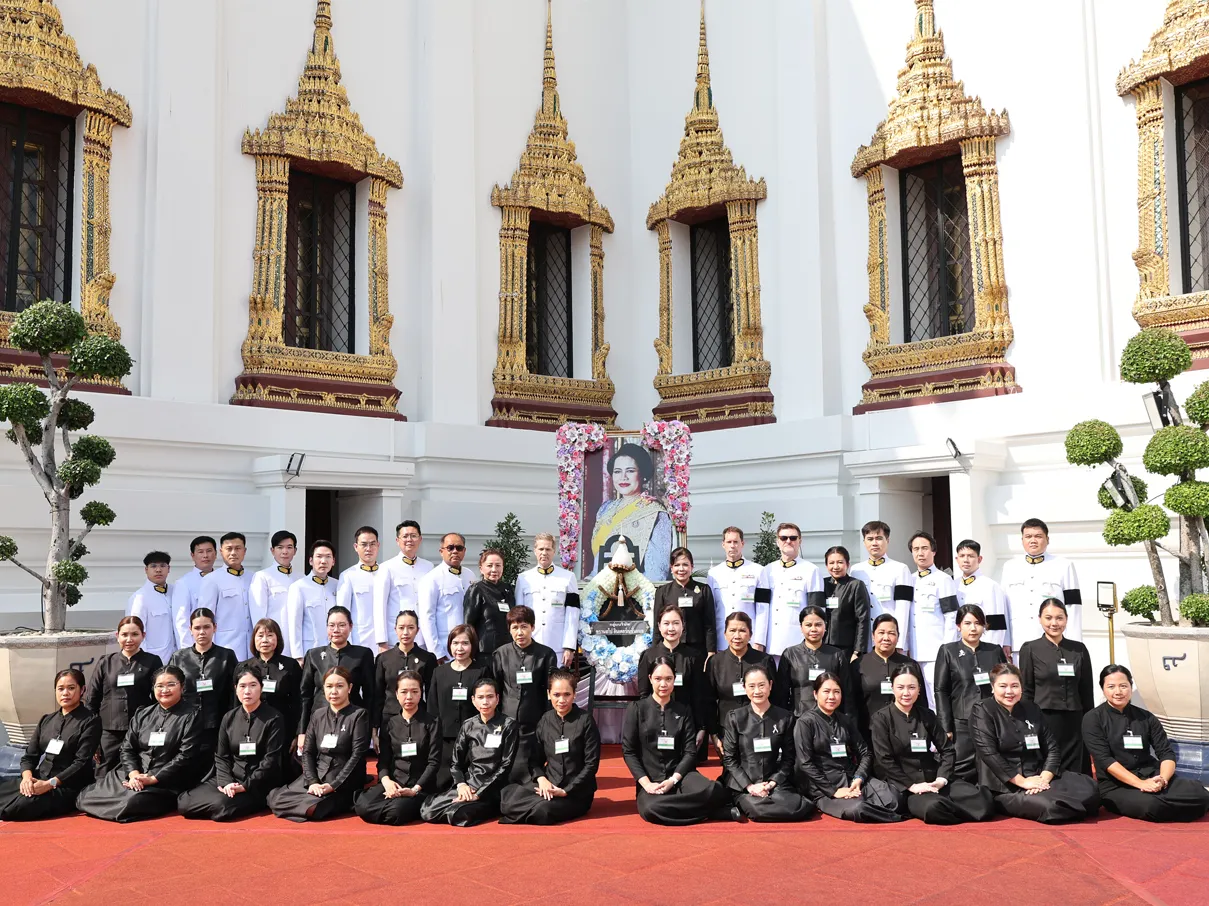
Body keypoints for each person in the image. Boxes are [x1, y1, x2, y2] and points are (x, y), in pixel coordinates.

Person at [970, 663, 1100, 823]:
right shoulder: (982, 710)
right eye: (1003, 686)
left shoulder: (1031, 708)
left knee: (1090, 786)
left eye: (1014, 686)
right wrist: (1023, 782)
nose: (1009, 692)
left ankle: (1057, 797)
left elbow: (1052, 748)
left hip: (1037, 775)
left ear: (1021, 688)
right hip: (1007, 785)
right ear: (992, 687)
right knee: (1052, 807)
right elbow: (989, 754)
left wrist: (1044, 778)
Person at [1082, 664, 1209, 822]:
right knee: (1152, 806)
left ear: (1131, 686)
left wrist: (1163, 779)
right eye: (1111, 686)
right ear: (1103, 689)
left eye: (1123, 686)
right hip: (1117, 785)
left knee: (1200, 793)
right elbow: (1105, 760)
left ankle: (1177, 803)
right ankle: (1181, 807)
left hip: (1153, 776)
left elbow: (1165, 752)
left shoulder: (1146, 717)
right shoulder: (1093, 719)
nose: (1118, 692)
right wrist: (1141, 784)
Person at [76, 665, 203, 822]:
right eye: (159, 686)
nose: (165, 690)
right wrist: (133, 774)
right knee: (85, 796)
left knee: (131, 802)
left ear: (182, 687)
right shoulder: (143, 714)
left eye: (171, 684)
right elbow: (127, 749)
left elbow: (186, 755)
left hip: (165, 780)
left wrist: (153, 778)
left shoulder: (192, 715)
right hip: (133, 772)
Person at [869, 666, 995, 824]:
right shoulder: (881, 718)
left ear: (919, 690)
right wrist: (912, 786)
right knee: (933, 808)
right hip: (908, 787)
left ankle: (952, 807)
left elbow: (947, 750)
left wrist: (942, 779)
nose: (906, 693)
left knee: (983, 799)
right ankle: (955, 809)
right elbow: (884, 759)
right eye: (900, 687)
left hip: (934, 779)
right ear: (892, 688)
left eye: (912, 687)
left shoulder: (927, 715)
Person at [623, 656, 735, 825]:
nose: (663, 684)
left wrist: (673, 779)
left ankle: (688, 808)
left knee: (714, 789)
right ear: (650, 679)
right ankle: (712, 812)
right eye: (658, 679)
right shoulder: (637, 709)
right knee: (651, 809)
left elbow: (690, 752)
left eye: (668, 679)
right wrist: (646, 784)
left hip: (682, 775)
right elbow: (629, 752)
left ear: (675, 679)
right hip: (651, 779)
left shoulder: (683, 710)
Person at [177, 663, 285, 820]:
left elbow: (271, 760)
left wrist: (245, 786)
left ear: (261, 688)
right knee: (184, 802)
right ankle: (221, 799)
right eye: (242, 686)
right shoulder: (229, 717)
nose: (247, 691)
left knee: (222, 808)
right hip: (230, 778)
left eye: (253, 685)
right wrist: (226, 782)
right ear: (236, 689)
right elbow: (221, 756)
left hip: (257, 783)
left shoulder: (274, 718)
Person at [794, 672, 901, 822]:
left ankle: (878, 808)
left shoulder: (845, 720)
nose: (832, 696)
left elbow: (865, 753)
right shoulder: (805, 722)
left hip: (852, 780)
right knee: (858, 808)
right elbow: (805, 763)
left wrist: (859, 778)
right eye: (826, 691)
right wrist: (834, 791)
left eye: (836, 692)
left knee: (894, 797)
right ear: (815, 694)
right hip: (825, 787)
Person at [267, 666, 371, 821]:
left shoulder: (359, 715)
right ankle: (305, 800)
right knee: (274, 798)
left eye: (339, 686)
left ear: (349, 688)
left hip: (342, 777)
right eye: (329, 687)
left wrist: (334, 785)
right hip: (318, 772)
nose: (334, 692)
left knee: (314, 809)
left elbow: (357, 755)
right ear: (323, 689)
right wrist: (313, 782)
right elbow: (308, 752)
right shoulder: (318, 714)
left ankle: (332, 802)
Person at [499, 669, 601, 825]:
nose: (561, 700)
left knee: (544, 810)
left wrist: (566, 790)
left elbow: (591, 765)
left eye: (567, 694)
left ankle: (534, 808)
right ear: (548, 694)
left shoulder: (585, 721)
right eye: (556, 694)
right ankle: (531, 806)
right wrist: (542, 780)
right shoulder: (545, 720)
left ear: (574, 694)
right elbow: (534, 760)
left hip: (575, 792)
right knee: (508, 797)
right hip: (548, 785)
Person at [0, 669, 101, 820]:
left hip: (66, 786)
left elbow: (81, 763)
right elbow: (30, 756)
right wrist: (27, 779)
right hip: (38, 779)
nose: (65, 693)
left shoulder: (91, 721)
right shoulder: (46, 720)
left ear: (83, 690)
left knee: (20, 806)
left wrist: (48, 784)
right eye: (60, 689)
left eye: (71, 688)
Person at [421, 676, 519, 826]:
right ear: (473, 700)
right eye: (480, 697)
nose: (485, 702)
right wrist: (462, 785)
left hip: (492, 788)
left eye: (490, 697)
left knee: (458, 814)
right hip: (469, 784)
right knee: (427, 810)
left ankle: (485, 806)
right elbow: (456, 763)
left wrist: (478, 794)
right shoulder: (468, 725)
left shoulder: (508, 725)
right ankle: (462, 801)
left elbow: (505, 766)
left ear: (498, 699)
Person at [721, 664, 813, 822]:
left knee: (796, 807)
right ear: (744, 688)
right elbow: (729, 759)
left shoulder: (785, 717)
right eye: (751, 686)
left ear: (770, 685)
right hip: (744, 783)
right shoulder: (735, 717)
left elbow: (789, 758)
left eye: (762, 685)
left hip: (774, 781)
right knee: (757, 810)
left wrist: (772, 783)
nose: (757, 691)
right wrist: (750, 786)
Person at [355, 669, 441, 825]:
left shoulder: (432, 722)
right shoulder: (389, 723)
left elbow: (434, 762)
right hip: (395, 783)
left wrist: (415, 789)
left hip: (419, 786)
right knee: (362, 805)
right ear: (396, 694)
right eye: (404, 692)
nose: (409, 697)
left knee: (397, 812)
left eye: (414, 691)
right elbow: (384, 759)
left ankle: (401, 805)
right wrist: (387, 781)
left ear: (421, 693)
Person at [1019, 598, 1094, 774]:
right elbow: (1027, 690)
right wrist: (1026, 721)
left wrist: (1090, 723)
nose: (1054, 623)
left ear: (1066, 619)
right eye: (1048, 618)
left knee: (1076, 768)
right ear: (1040, 619)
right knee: (1049, 765)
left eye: (1059, 618)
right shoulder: (1030, 649)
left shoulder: (1078, 649)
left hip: (1074, 720)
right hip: (1044, 718)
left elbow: (1086, 689)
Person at [934, 604, 1007, 781]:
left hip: (991, 721)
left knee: (992, 766)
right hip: (961, 722)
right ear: (958, 626)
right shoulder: (948, 651)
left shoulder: (994, 650)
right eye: (967, 623)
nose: (973, 628)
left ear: (984, 626)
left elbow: (1006, 683)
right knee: (959, 767)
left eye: (978, 623)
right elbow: (941, 690)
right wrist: (946, 726)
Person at [86, 616, 163, 776]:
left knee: (139, 771)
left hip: (141, 729)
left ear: (143, 635)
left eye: (135, 634)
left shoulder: (152, 662)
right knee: (104, 773)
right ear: (117, 636)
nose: (129, 639)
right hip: (109, 731)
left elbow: (159, 701)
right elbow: (92, 700)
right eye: (124, 634)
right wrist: (93, 738)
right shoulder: (105, 662)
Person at [590, 442, 674, 582]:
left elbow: (657, 572)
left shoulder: (655, 512)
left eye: (630, 471)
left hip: (638, 592)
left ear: (642, 474)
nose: (623, 477)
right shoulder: (605, 509)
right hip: (601, 588)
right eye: (617, 471)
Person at [492, 605, 557, 782]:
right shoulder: (500, 654)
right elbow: (495, 687)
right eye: (515, 627)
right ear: (509, 629)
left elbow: (551, 689)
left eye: (524, 627)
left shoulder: (546, 654)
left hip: (535, 717)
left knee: (532, 763)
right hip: (507, 718)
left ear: (532, 627)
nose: (520, 632)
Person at [297, 606, 374, 751]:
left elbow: (370, 694)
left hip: (352, 719)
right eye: (331, 625)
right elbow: (304, 696)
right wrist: (301, 731)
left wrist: (370, 726)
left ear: (351, 627)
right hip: (320, 719)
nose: (336, 630)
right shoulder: (314, 655)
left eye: (342, 625)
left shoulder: (363, 654)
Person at [1002, 518, 1083, 656]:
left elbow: (1073, 606)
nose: (1033, 540)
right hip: (1019, 640)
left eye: (1038, 536)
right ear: (1022, 540)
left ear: (1047, 539)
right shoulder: (1010, 567)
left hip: (1053, 640)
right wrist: (1005, 641)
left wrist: (1073, 643)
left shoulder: (1064, 565)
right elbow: (1004, 607)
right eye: (1028, 536)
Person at [428, 625, 494, 789]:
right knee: (443, 784)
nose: (459, 648)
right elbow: (432, 706)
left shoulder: (481, 670)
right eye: (455, 643)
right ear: (449, 645)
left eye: (465, 643)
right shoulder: (439, 672)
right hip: (445, 739)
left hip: (475, 740)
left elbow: (488, 703)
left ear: (473, 645)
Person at [169, 607, 237, 765]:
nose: (202, 632)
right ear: (190, 629)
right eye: (197, 628)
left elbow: (234, 693)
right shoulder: (179, 657)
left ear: (215, 627)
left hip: (218, 722)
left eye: (206, 627)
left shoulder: (226, 656)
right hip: (186, 724)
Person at [637, 606, 708, 754]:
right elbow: (644, 695)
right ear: (659, 626)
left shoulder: (694, 656)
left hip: (686, 723)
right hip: (656, 723)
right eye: (666, 623)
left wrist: (701, 727)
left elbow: (699, 695)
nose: (671, 628)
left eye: (676, 623)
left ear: (683, 626)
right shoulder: (648, 656)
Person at [705, 611, 775, 756]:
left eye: (742, 631)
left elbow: (776, 696)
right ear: (724, 634)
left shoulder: (764, 660)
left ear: (750, 634)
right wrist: (714, 734)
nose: (737, 636)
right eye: (732, 631)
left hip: (760, 728)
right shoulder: (716, 662)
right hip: (727, 730)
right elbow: (708, 700)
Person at [237, 618, 302, 770]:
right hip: (253, 728)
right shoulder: (244, 667)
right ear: (254, 639)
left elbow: (299, 701)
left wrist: (298, 733)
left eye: (270, 635)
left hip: (283, 728)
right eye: (260, 635)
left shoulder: (290, 666)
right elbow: (236, 704)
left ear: (277, 638)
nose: (265, 640)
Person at [906, 531, 959, 707]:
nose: (920, 553)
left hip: (935, 651)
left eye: (924, 548)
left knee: (936, 697)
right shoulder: (908, 580)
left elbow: (952, 616)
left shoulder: (943, 579)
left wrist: (947, 649)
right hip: (913, 650)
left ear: (934, 551)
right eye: (916, 549)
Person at [756, 523, 824, 658]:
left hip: (799, 643)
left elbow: (817, 610)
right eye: (783, 538)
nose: (788, 541)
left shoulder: (811, 570)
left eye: (793, 538)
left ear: (800, 541)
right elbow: (761, 608)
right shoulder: (767, 570)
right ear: (777, 541)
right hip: (772, 642)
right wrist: (759, 641)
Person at [776, 605, 855, 719]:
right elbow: (781, 694)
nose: (813, 629)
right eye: (808, 625)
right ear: (801, 627)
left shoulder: (837, 655)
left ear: (825, 626)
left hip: (831, 719)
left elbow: (847, 693)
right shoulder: (790, 654)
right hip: (798, 718)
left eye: (818, 624)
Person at [852, 614, 924, 738]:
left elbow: (921, 702)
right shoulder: (859, 664)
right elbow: (851, 702)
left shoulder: (910, 665)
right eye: (881, 633)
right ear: (873, 636)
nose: (886, 637)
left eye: (891, 633)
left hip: (905, 732)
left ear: (898, 637)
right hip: (869, 732)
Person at [515, 532, 580, 666]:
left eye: (548, 549)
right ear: (535, 551)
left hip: (557, 645)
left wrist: (569, 646)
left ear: (554, 551)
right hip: (530, 643)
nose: (544, 553)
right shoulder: (523, 578)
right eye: (541, 549)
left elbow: (572, 615)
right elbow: (518, 615)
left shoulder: (568, 577)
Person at [373, 520, 434, 651]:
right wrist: (382, 641)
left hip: (423, 637)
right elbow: (379, 606)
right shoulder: (387, 568)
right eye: (405, 536)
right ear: (397, 540)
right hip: (396, 638)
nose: (409, 540)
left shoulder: (428, 567)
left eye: (413, 536)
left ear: (420, 539)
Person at [849, 521, 913, 647]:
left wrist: (899, 643)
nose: (874, 543)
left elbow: (903, 609)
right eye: (870, 539)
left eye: (879, 538)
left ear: (887, 540)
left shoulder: (900, 569)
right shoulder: (856, 570)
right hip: (865, 639)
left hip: (888, 639)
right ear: (864, 542)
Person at [373, 609, 437, 728]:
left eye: (411, 627)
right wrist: (375, 726)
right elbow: (377, 695)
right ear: (395, 629)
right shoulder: (383, 659)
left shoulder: (427, 658)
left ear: (417, 630)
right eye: (401, 628)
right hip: (389, 719)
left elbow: (431, 695)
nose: (406, 632)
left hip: (419, 718)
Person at [706, 527, 766, 653]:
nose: (732, 546)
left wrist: (759, 641)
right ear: (723, 544)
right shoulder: (714, 574)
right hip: (722, 640)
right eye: (729, 542)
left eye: (736, 542)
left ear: (742, 544)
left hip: (749, 638)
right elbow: (711, 610)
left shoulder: (758, 570)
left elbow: (763, 608)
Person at [418, 532, 475, 662]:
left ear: (464, 551)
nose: (455, 551)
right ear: (441, 551)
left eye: (459, 548)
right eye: (450, 548)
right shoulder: (431, 579)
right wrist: (436, 652)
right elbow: (427, 617)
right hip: (445, 648)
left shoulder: (470, 575)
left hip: (468, 647)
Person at [197, 531, 254, 660]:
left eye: (238, 548)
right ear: (221, 551)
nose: (233, 553)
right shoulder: (211, 580)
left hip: (252, 649)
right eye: (229, 549)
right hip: (224, 649)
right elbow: (205, 617)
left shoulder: (254, 578)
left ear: (244, 551)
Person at [653, 547, 717, 653]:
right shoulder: (663, 592)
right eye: (677, 565)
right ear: (671, 568)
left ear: (692, 566)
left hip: (698, 650)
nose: (681, 569)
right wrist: (655, 651)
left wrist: (711, 651)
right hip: (671, 649)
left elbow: (709, 624)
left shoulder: (703, 590)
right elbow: (657, 624)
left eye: (685, 565)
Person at [954, 539, 1010, 656]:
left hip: (982, 649)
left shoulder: (990, 586)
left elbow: (996, 625)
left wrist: (989, 652)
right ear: (957, 559)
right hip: (957, 649)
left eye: (971, 556)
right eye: (962, 556)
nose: (966, 560)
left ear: (979, 559)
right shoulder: (952, 585)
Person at [286, 540, 338, 659]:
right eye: (319, 556)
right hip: (310, 652)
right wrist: (298, 656)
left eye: (328, 557)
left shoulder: (338, 585)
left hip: (334, 651)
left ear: (333, 561)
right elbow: (295, 625)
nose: (323, 561)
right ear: (311, 560)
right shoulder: (299, 587)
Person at [820, 546, 870, 663]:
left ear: (847, 564)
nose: (835, 567)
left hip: (847, 648)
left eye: (840, 562)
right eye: (831, 563)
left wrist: (858, 651)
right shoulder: (822, 584)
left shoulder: (855, 585)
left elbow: (862, 619)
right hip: (823, 646)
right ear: (826, 565)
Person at [336, 526, 383, 651]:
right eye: (364, 544)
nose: (368, 549)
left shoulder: (386, 572)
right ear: (356, 547)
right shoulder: (348, 575)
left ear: (378, 545)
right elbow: (342, 613)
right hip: (359, 641)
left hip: (385, 644)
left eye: (372, 544)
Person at [249, 530, 302, 641]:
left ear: (295, 551)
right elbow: (258, 615)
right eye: (280, 547)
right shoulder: (262, 576)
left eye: (289, 547)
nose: (285, 551)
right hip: (275, 638)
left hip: (298, 638)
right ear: (272, 551)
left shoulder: (301, 578)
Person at [126, 551, 176, 665]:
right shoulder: (140, 598)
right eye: (153, 566)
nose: (158, 570)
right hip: (153, 660)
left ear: (169, 568)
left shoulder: (176, 592)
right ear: (146, 570)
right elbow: (135, 631)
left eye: (162, 566)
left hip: (177, 656)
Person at [462, 548, 513, 655]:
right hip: (485, 650)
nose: (494, 569)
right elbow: (468, 624)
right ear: (481, 569)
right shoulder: (476, 589)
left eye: (498, 565)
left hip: (507, 650)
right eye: (489, 566)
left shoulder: (508, 589)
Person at [171, 536, 217, 649]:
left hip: (221, 645)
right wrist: (188, 651)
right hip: (197, 647)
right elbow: (181, 621)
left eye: (209, 551)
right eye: (200, 552)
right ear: (192, 555)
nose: (205, 555)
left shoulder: (223, 579)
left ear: (216, 553)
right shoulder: (184, 583)